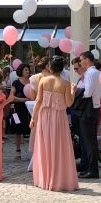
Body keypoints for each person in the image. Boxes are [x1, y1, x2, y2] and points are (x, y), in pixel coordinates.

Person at [31, 56, 78, 192]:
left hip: (44, 116)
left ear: (50, 67)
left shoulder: (43, 80)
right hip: (59, 118)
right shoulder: (65, 83)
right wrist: (73, 92)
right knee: (59, 147)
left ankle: (45, 178)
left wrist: (33, 118)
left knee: (45, 145)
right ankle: (58, 178)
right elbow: (69, 103)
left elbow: (38, 101)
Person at [75, 51, 101, 178]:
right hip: (93, 107)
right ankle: (90, 167)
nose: (80, 62)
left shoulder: (91, 72)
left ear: (87, 59)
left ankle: (93, 169)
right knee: (89, 141)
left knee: (89, 142)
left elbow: (88, 92)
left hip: (89, 108)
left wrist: (76, 91)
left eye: (81, 60)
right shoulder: (96, 72)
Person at [7, 64, 33, 159]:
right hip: (18, 109)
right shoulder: (16, 83)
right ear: (21, 71)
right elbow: (11, 97)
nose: (27, 71)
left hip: (30, 109)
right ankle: (18, 150)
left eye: (28, 70)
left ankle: (34, 150)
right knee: (18, 130)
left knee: (31, 129)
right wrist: (24, 99)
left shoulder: (32, 81)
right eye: (25, 70)